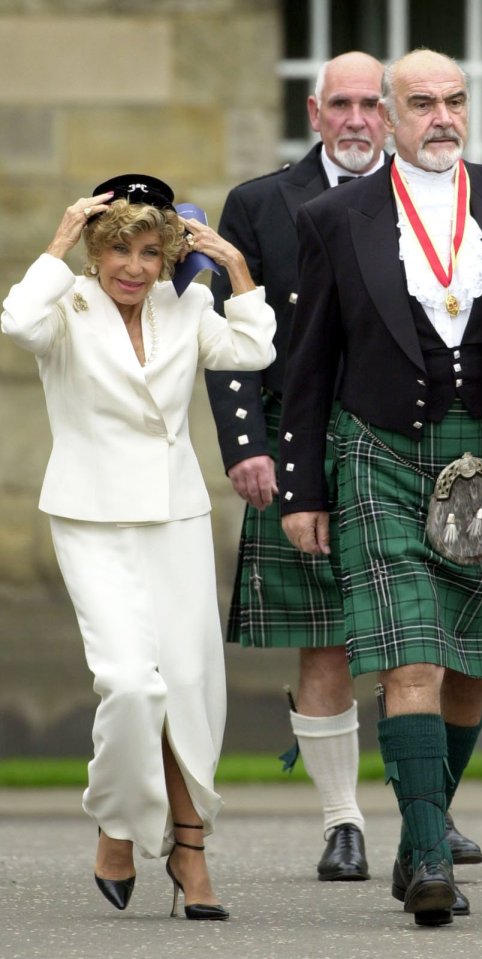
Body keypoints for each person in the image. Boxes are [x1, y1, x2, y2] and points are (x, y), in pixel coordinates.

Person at [279, 49, 482, 928]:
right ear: (387, 119)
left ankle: (420, 823)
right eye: (421, 102)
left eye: (455, 100)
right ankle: (430, 855)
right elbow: (307, 365)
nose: (442, 116)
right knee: (412, 654)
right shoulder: (336, 217)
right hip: (377, 452)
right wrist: (301, 489)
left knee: (471, 664)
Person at [205, 51, 482, 889]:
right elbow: (228, 338)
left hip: (407, 441)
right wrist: (248, 443)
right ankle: (343, 823)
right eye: (344, 105)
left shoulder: (425, 198)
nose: (360, 119)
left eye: (373, 104)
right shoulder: (259, 203)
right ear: (315, 112)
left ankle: (426, 815)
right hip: (303, 432)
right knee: (325, 641)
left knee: (439, 638)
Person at [1, 174, 276, 919]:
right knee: (130, 683)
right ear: (96, 248)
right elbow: (16, 320)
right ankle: (118, 822)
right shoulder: (65, 303)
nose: (134, 266)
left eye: (150, 251)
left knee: (188, 685)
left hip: (175, 517)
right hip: (91, 520)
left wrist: (237, 270)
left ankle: (191, 850)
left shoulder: (182, 304)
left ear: (166, 257)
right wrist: (58, 242)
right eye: (118, 248)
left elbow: (251, 350)